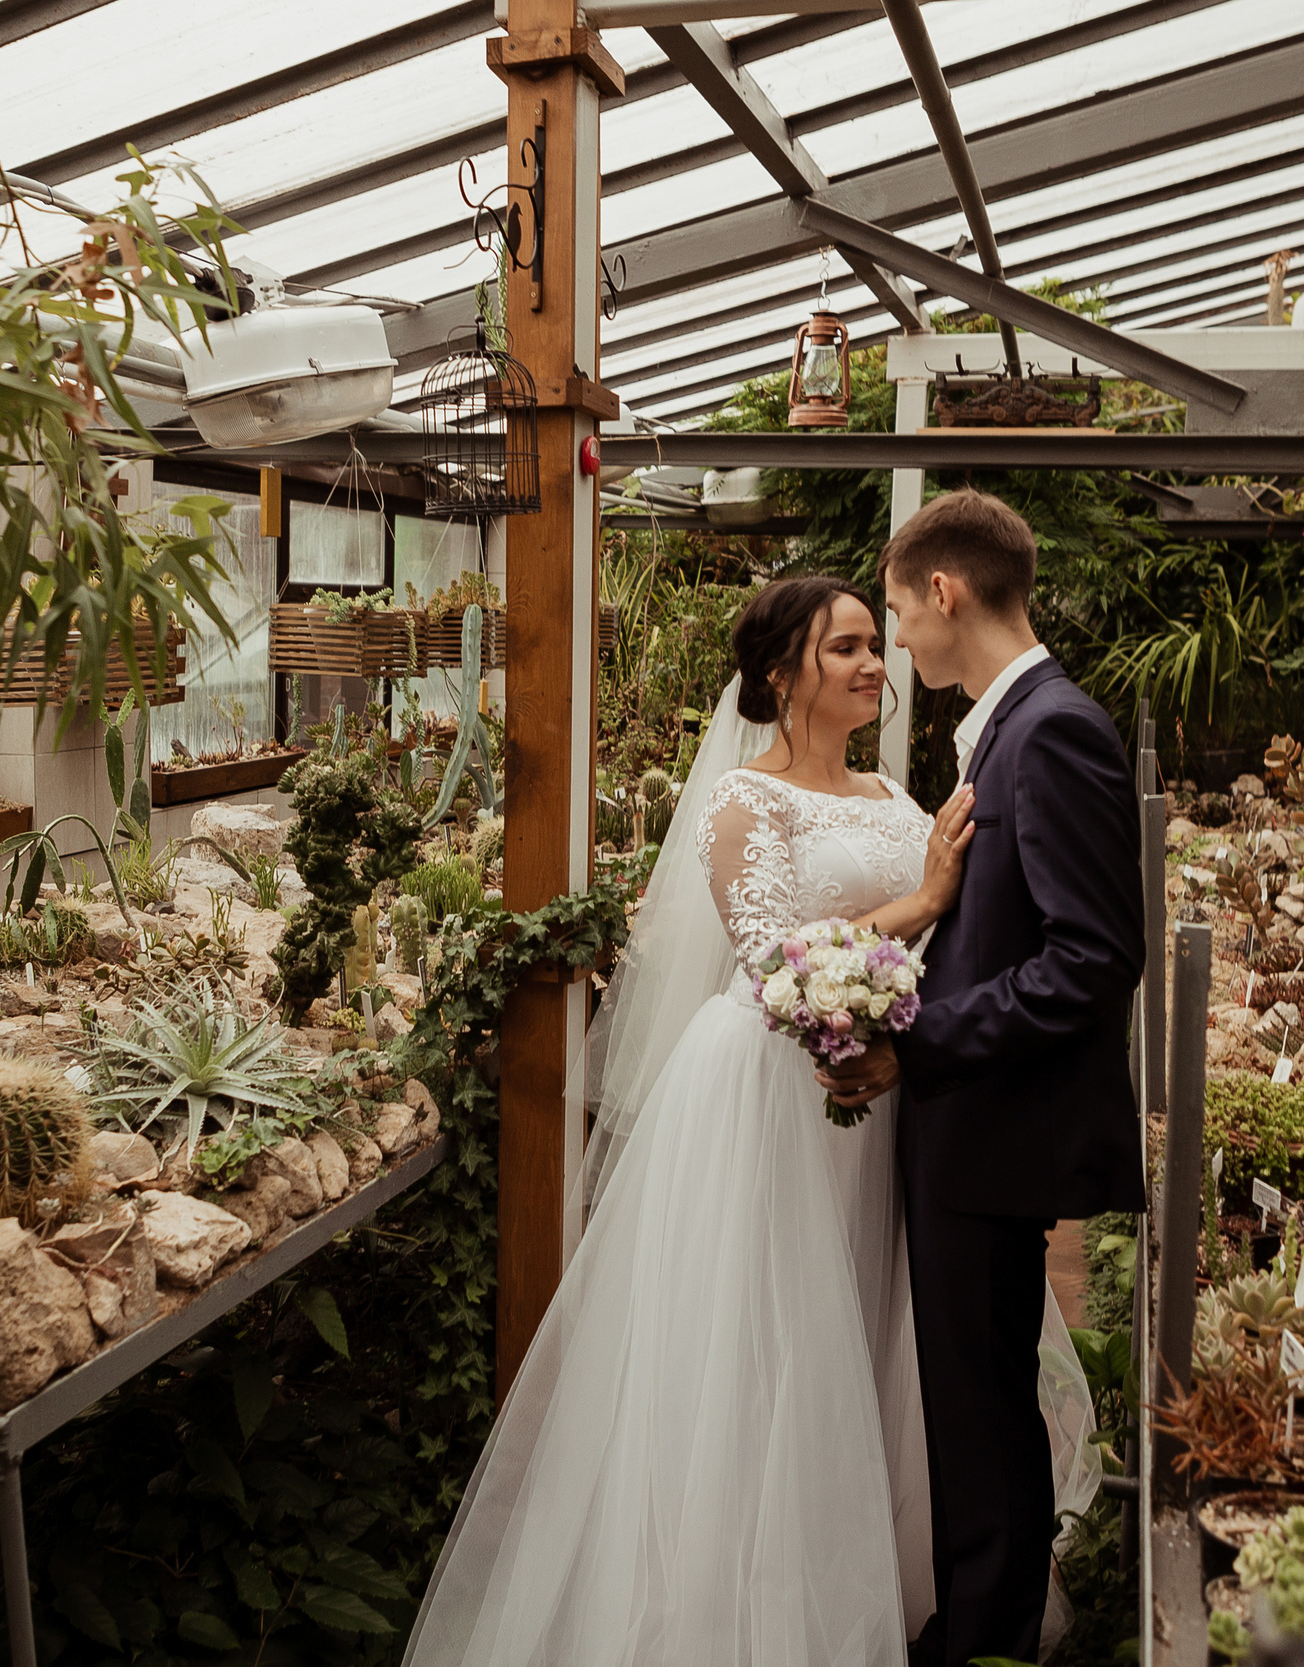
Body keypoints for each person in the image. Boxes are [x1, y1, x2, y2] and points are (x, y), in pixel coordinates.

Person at [404, 574, 1097, 1667]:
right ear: (783, 674)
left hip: (882, 1106)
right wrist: (918, 903)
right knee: (767, 1350)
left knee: (870, 1341)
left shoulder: (893, 793)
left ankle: (884, 1587)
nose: (875, 664)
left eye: (878, 644)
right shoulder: (742, 802)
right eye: (846, 649)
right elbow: (774, 960)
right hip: (765, 1102)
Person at [825, 491, 1147, 1664]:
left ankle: (985, 1642)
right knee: (976, 1406)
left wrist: (918, 1041)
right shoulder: (1014, 726)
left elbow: (1093, 959)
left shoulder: (1048, 728)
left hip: (994, 1132)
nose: (900, 640)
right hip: (977, 1132)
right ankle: (978, 1625)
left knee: (979, 1413)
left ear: (946, 593)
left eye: (901, 612)